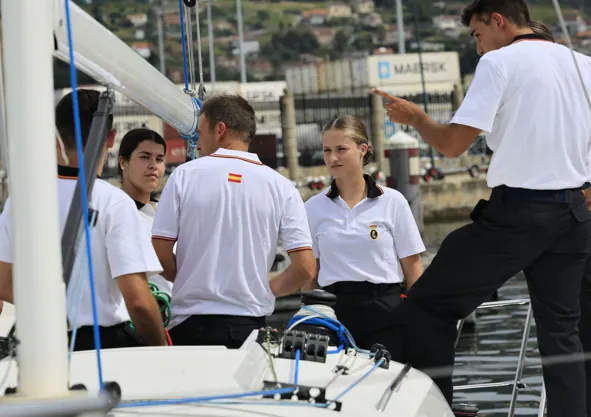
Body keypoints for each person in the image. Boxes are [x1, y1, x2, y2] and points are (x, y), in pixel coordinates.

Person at [371, 0, 591, 416]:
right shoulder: (583, 63)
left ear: (499, 21)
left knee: (428, 304)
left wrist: (416, 118)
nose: (478, 47)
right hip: (574, 216)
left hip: (519, 214)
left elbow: (453, 145)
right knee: (563, 333)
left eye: (477, 34)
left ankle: (434, 409)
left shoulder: (499, 63)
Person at [0, 89, 168, 350]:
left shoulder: (19, 201)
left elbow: (3, 283)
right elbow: (137, 301)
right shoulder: (114, 201)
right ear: (110, 138)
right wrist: (162, 350)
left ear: (56, 136)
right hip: (104, 345)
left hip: (42, 345)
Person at [152, 94, 317, 348]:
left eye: (200, 133)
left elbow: (160, 252)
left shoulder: (184, 176)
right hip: (249, 328)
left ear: (220, 130)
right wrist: (265, 289)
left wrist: (190, 277)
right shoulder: (282, 187)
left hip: (191, 326)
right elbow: (305, 268)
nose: (197, 143)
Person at [303, 115, 425, 358]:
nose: (332, 158)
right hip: (332, 314)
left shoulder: (393, 201)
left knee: (385, 384)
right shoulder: (313, 208)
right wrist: (309, 314)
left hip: (386, 312)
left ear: (363, 150)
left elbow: (413, 270)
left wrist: (422, 321)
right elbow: (310, 273)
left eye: (341, 149)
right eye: (327, 150)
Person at [118, 128, 172, 296]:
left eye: (159, 159)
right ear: (123, 162)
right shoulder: (114, 214)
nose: (153, 165)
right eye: (144, 157)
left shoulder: (170, 213)